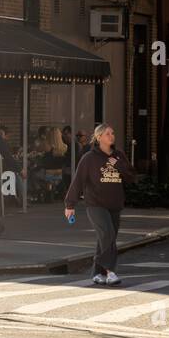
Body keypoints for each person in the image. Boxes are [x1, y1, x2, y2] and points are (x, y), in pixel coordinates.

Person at [65, 123, 136, 286]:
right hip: (95, 204)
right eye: (108, 134)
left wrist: (118, 165)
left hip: (114, 204)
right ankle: (110, 272)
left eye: (113, 133)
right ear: (99, 137)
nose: (112, 136)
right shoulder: (89, 158)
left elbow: (131, 177)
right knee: (107, 235)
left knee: (105, 238)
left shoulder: (119, 156)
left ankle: (97, 273)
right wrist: (70, 205)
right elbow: (78, 182)